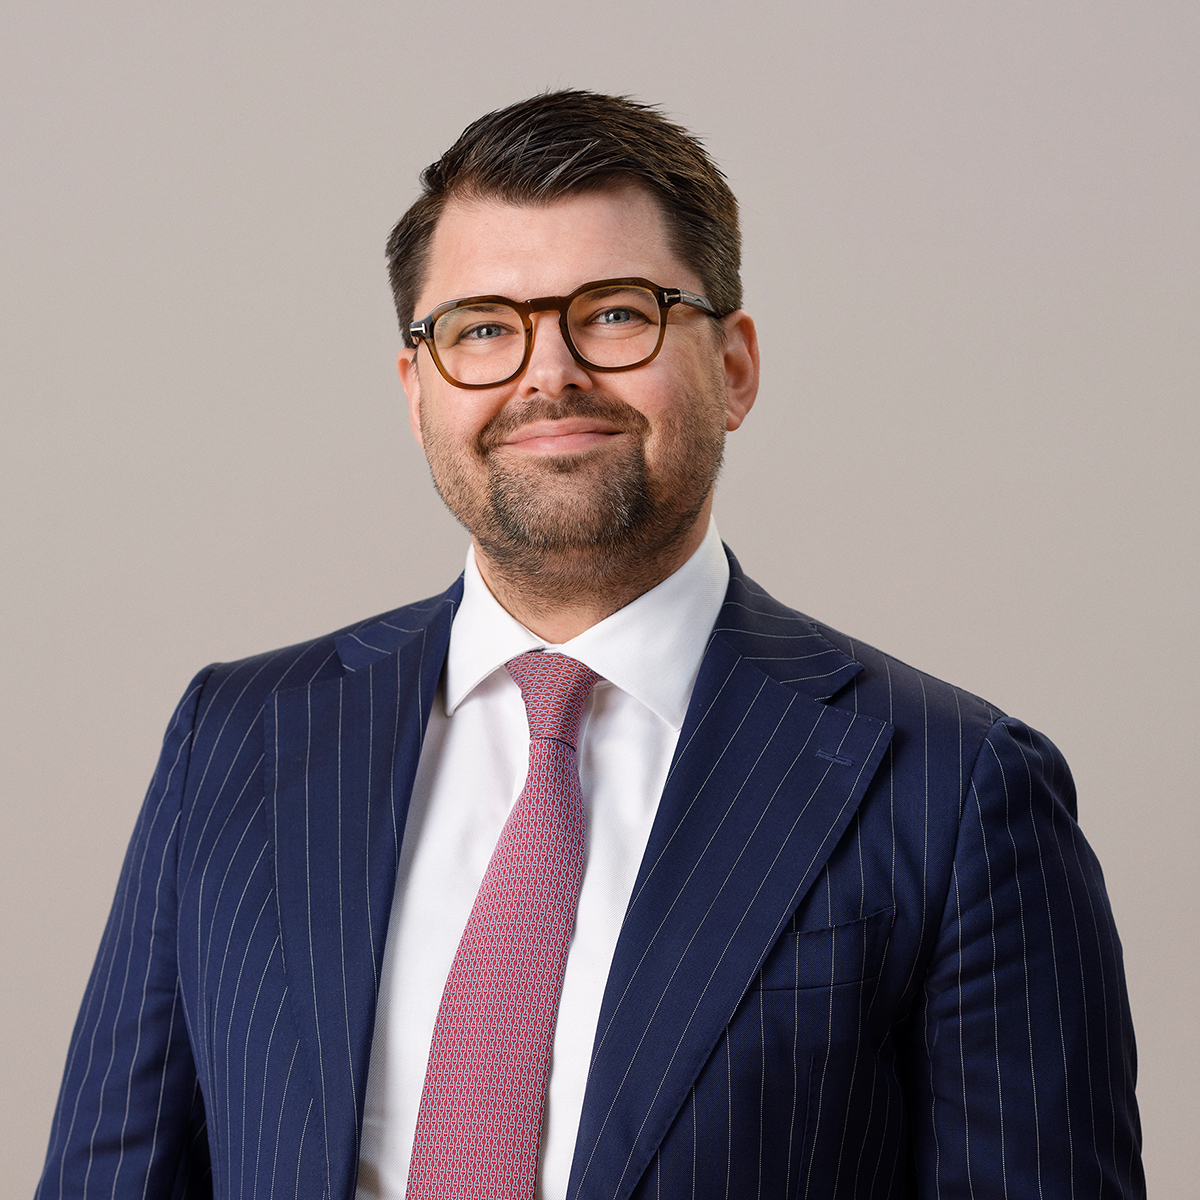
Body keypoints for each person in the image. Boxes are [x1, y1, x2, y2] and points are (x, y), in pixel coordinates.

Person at [37, 90, 1144, 1199]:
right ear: (417, 391)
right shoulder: (237, 741)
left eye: (616, 314)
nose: (548, 374)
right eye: (482, 328)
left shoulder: (955, 788)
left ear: (735, 367)